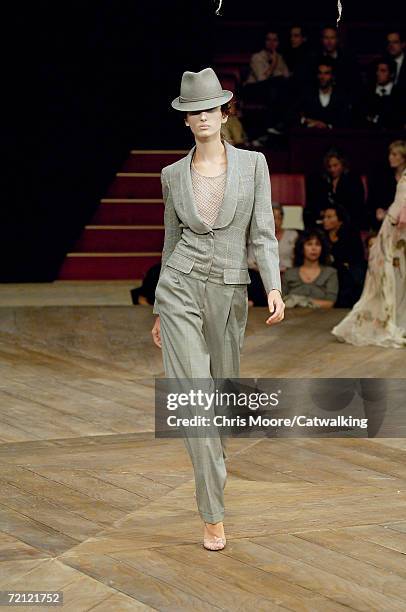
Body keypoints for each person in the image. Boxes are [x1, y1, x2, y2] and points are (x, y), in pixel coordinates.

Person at [151, 68, 284, 551]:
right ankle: (212, 514)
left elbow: (263, 232)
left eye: (210, 108)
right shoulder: (171, 175)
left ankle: (215, 475)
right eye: (193, 111)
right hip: (179, 287)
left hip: (230, 291)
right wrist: (159, 312)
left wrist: (273, 285)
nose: (202, 116)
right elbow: (170, 239)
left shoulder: (253, 165)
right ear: (185, 120)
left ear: (224, 112)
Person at [331, 160, 406, 347]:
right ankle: (393, 322)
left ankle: (397, 321)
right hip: (396, 232)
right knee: (391, 278)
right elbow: (400, 208)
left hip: (396, 232)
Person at [247, 202, 298, 305]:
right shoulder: (256, 234)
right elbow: (250, 261)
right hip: (259, 273)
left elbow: (296, 259)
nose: (276, 221)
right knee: (255, 277)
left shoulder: (292, 235)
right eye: (273, 217)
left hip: (286, 273)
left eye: (279, 218)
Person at [305, 149, 366, 230]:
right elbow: (315, 202)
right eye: (329, 167)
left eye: (335, 165)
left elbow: (357, 204)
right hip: (325, 216)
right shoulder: (322, 181)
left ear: (343, 164)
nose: (332, 169)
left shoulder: (353, 179)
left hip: (348, 218)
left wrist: (337, 215)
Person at [321, 204, 367, 308]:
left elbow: (355, 257)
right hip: (329, 270)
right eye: (324, 217)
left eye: (329, 217)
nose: (325, 220)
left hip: (350, 271)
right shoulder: (321, 235)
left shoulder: (351, 234)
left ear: (340, 219)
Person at [282, 229, 338, 308]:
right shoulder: (289, 273)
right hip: (292, 317)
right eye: (309, 244)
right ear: (302, 247)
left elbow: (330, 302)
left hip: (323, 317)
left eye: (318, 244)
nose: (314, 248)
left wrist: (303, 302)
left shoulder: (330, 273)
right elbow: (281, 301)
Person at [290, 58, 350, 129]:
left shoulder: (341, 96)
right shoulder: (308, 94)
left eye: (326, 73)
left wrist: (327, 126)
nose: (322, 77)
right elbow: (293, 114)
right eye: (320, 73)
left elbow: (345, 121)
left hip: (334, 137)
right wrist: (306, 121)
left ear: (332, 76)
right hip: (310, 136)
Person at [367, 140, 406, 230]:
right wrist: (378, 210)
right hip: (386, 219)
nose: (390, 158)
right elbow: (374, 200)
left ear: (404, 157)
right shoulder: (383, 177)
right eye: (390, 154)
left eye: (394, 155)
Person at [358, 58, 405, 130]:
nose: (378, 73)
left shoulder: (400, 94)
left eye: (383, 71)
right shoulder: (366, 92)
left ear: (391, 74)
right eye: (377, 70)